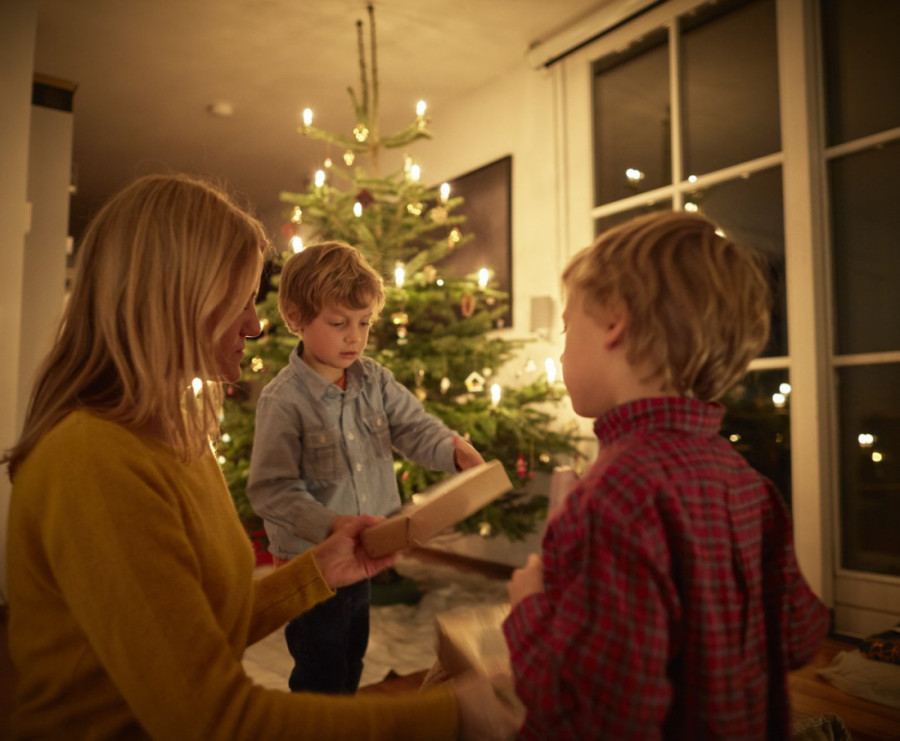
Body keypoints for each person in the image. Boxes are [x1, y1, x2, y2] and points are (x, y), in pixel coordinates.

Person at [2, 173, 517, 740]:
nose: (254, 324)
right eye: (241, 299)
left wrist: (317, 571)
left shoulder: (176, 436)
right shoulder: (94, 461)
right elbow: (213, 719)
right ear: (174, 299)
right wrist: (459, 711)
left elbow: (197, 627)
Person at [503, 211, 830, 739]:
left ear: (615, 320)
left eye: (567, 327)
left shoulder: (614, 495)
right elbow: (801, 635)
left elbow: (591, 718)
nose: (562, 350)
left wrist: (529, 608)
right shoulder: (749, 482)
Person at [247, 240, 485, 695]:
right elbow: (272, 489)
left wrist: (452, 449)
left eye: (364, 323)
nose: (354, 337)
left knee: (352, 653)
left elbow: (415, 428)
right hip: (312, 563)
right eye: (339, 323)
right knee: (320, 669)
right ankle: (321, 725)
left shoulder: (374, 380)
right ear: (296, 318)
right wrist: (331, 524)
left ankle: (346, 717)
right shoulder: (283, 401)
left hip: (367, 552)